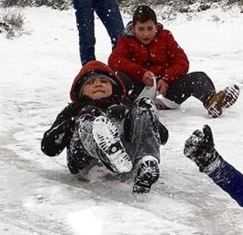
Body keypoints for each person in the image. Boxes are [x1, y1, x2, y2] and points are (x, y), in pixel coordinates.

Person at [40, 60, 168, 194]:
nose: (98, 84)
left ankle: (145, 162)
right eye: (90, 82)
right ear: (80, 91)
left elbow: (162, 135)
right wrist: (74, 120)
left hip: (126, 164)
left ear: (114, 87)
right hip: (86, 164)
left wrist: (128, 116)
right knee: (87, 121)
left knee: (145, 103)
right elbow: (49, 148)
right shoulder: (74, 110)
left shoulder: (125, 105)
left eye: (104, 81)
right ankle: (107, 152)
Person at [108, 5, 240, 118]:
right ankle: (122, 108)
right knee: (118, 76)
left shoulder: (165, 36)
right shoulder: (126, 40)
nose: (146, 34)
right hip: (137, 93)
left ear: (156, 26)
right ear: (133, 28)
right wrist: (141, 73)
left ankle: (211, 101)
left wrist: (167, 79)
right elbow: (114, 61)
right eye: (141, 29)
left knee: (199, 77)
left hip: (167, 94)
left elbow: (182, 61)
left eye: (149, 28)